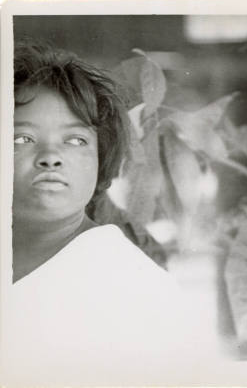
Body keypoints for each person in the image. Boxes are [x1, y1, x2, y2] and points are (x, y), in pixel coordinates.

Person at [4, 40, 209, 385]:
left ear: (102, 159)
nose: (51, 156)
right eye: (21, 139)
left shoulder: (138, 290)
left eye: (75, 141)